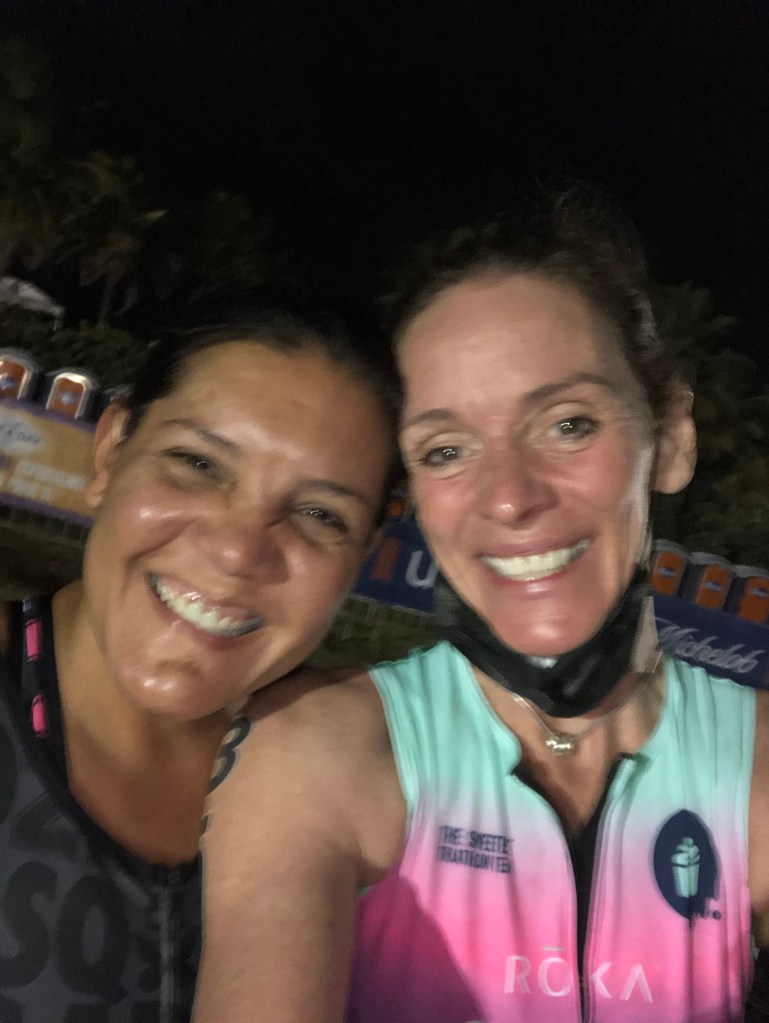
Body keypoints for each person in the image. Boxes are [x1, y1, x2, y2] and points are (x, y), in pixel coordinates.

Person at [193, 190, 769, 1023]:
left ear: (670, 437)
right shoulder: (315, 750)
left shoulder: (751, 765)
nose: (508, 496)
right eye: (445, 449)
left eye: (567, 424)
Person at [0, 295, 400, 1022]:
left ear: (361, 558)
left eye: (319, 514)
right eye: (197, 463)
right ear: (111, 451)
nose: (238, 550)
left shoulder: (374, 785)